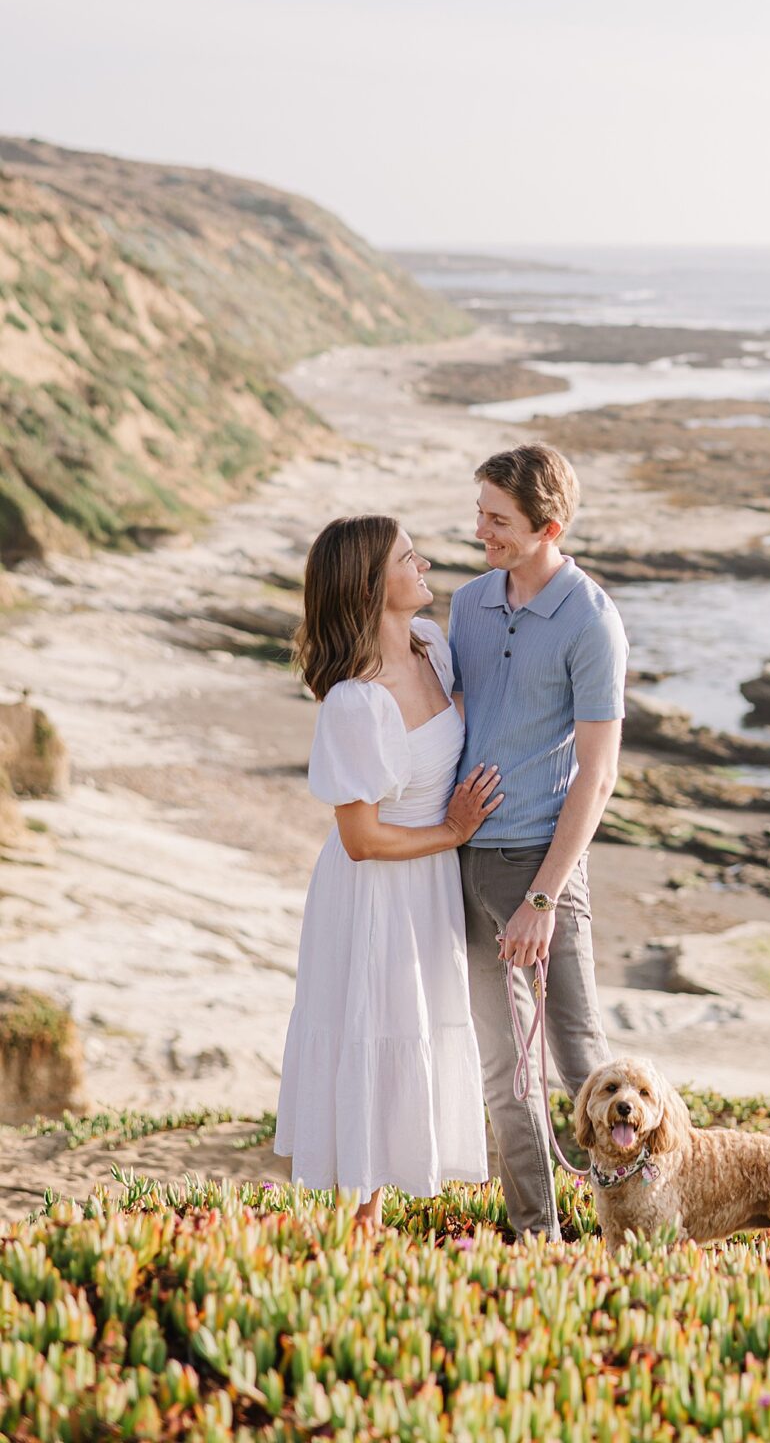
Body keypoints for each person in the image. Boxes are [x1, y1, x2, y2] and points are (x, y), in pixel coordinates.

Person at [274, 513, 503, 1228]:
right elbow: (361, 839)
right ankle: (362, 1217)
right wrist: (453, 830)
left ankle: (378, 1206)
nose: (426, 565)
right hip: (376, 889)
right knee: (376, 1026)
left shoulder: (432, 647)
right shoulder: (355, 701)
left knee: (418, 1023)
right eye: (411, 558)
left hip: (429, 881)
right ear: (374, 585)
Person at [449, 443, 628, 1237]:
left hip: (543, 867)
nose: (479, 529)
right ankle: (537, 1238)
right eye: (479, 511)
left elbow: (596, 775)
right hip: (463, 864)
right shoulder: (466, 604)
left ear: (547, 526)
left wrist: (543, 898)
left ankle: (633, 1225)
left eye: (497, 519)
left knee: (582, 1061)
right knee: (502, 1072)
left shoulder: (590, 619)